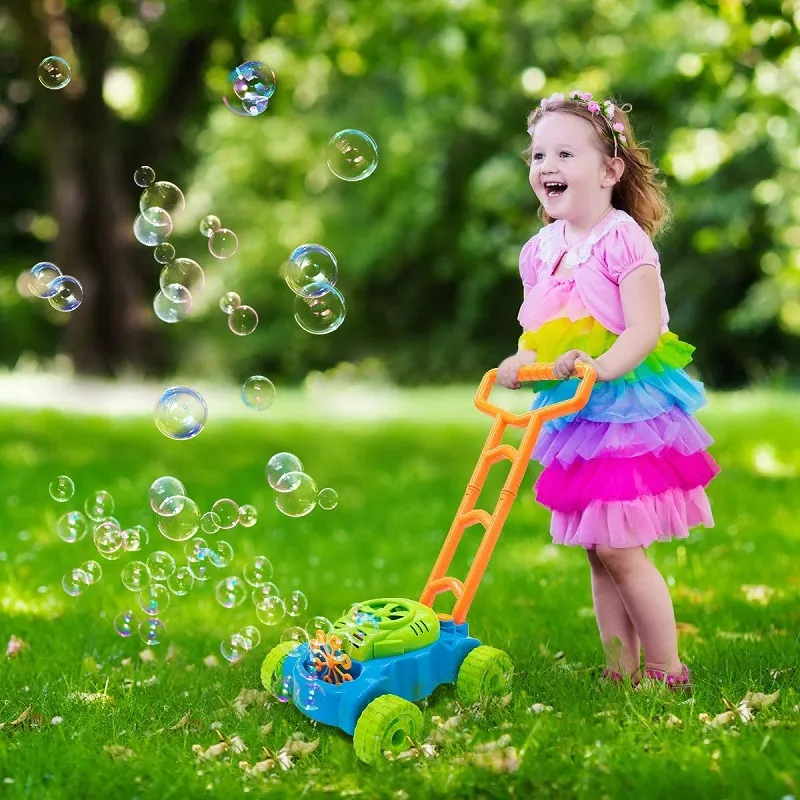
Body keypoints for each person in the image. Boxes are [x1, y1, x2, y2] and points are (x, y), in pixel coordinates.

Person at [497, 90, 720, 689]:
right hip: (576, 410)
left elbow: (646, 328)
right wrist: (519, 363)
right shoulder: (540, 250)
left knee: (621, 547)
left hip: (624, 408)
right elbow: (536, 332)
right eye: (538, 154)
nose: (547, 166)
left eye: (565, 153)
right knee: (597, 548)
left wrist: (600, 367)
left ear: (610, 170)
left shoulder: (622, 238)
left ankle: (668, 669)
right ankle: (620, 669)